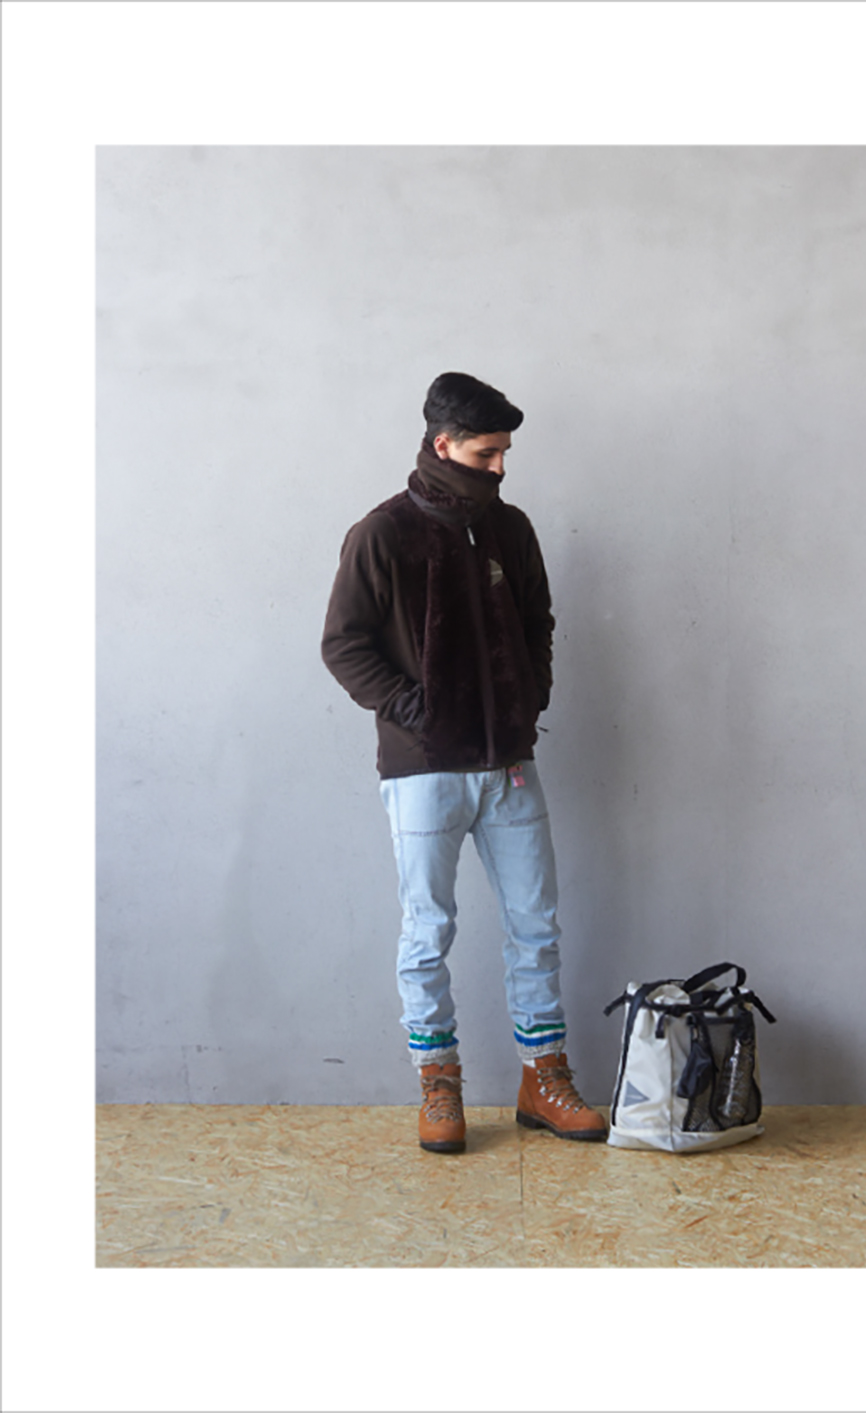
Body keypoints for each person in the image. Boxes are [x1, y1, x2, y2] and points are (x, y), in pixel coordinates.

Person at [321, 372, 606, 1153]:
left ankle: (543, 1077)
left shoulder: (510, 529)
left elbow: (538, 618)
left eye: (506, 452)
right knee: (428, 929)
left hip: (510, 765)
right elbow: (343, 644)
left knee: (536, 925)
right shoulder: (382, 533)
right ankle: (438, 1082)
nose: (501, 466)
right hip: (423, 771)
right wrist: (418, 711)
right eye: (487, 453)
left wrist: (529, 696)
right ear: (443, 445)